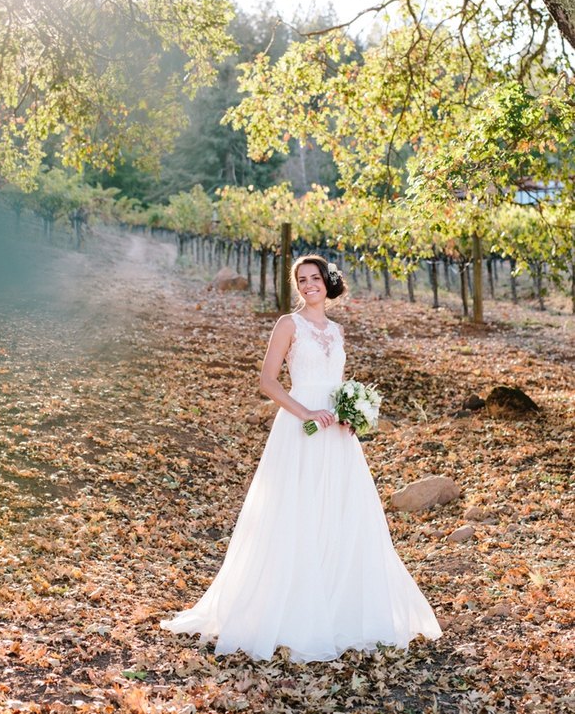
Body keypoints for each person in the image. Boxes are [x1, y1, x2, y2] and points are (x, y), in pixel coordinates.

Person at [161, 255, 441, 662]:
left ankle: (336, 606)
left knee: (340, 512)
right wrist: (306, 412)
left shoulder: (338, 329)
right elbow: (267, 381)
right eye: (302, 280)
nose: (309, 285)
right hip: (300, 427)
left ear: (328, 282)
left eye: (315, 278)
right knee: (295, 511)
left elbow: (337, 383)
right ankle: (288, 611)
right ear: (298, 287)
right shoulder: (288, 325)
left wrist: (350, 412)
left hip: (337, 435)